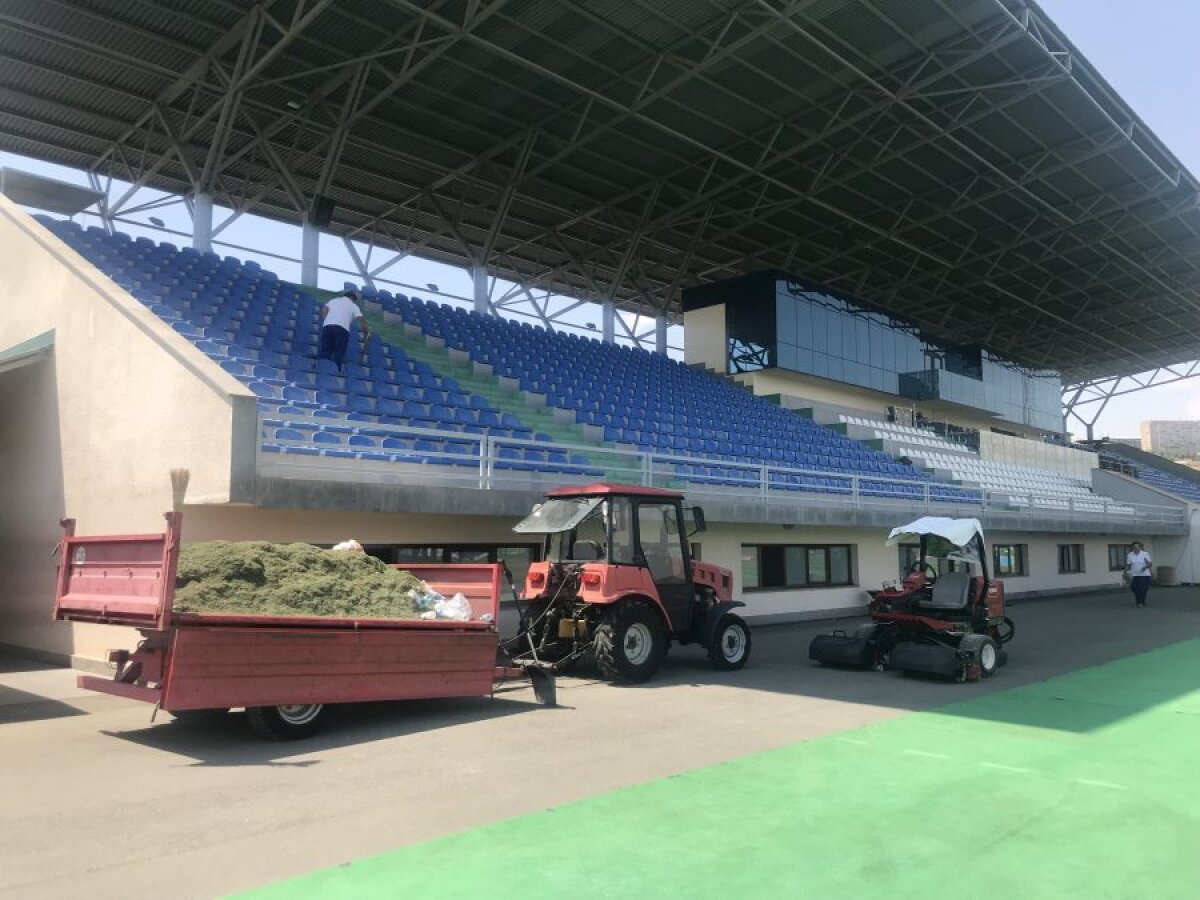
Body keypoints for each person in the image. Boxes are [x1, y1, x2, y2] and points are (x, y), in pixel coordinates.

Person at [317, 289, 370, 371]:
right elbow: (361, 320)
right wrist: (366, 333)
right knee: (339, 353)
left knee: (325, 350)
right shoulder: (353, 305)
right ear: (352, 298)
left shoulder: (334, 300)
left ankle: (320, 369)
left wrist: (326, 320)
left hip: (327, 327)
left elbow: (324, 309)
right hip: (342, 329)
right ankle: (335, 372)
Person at [1125, 541, 1153, 607]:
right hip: (1134, 574)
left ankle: (1139, 602)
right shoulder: (1130, 555)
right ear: (1132, 547)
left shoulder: (1145, 554)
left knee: (1142, 588)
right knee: (1133, 587)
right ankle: (1141, 600)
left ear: (1140, 547)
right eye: (1134, 547)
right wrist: (1125, 573)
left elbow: (1150, 563)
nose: (1136, 548)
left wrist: (1145, 567)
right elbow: (1128, 565)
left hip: (1144, 574)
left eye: (1138, 547)